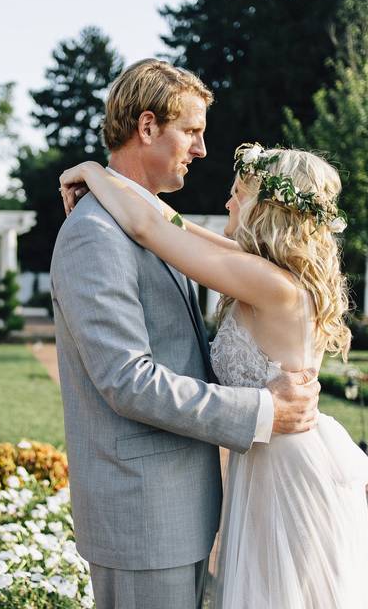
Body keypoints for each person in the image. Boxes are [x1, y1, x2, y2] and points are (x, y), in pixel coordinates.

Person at [49, 58, 323, 609]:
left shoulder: (150, 223)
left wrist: (98, 176)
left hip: (184, 505)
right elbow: (128, 380)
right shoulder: (96, 235)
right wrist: (262, 409)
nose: (201, 149)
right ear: (147, 127)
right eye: (192, 131)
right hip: (142, 511)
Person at [58, 141, 368, 608]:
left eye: (237, 193)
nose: (227, 203)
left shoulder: (272, 284)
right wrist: (115, 180)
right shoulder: (264, 271)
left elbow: (151, 229)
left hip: (287, 472)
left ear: (263, 209)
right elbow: (177, 224)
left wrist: (93, 169)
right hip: (266, 463)